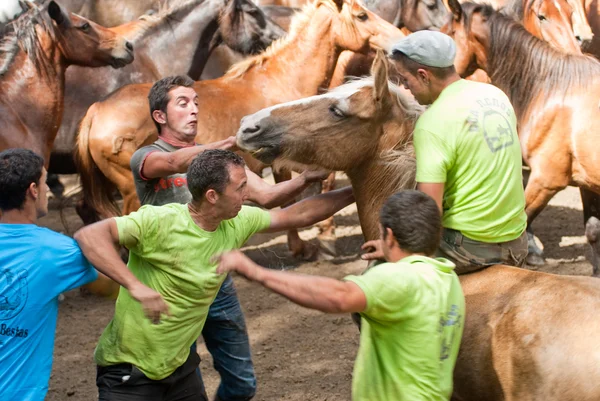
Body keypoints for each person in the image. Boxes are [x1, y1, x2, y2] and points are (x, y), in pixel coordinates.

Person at [74, 149, 355, 401]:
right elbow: (89, 236)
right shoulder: (160, 221)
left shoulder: (236, 221)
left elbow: (297, 215)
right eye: (240, 187)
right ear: (212, 196)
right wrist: (136, 287)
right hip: (129, 374)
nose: (247, 194)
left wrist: (357, 190)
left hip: (180, 369)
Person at [130, 75, 329, 401]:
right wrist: (228, 145)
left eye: (196, 102)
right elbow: (171, 162)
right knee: (177, 381)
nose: (194, 109)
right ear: (160, 117)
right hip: (170, 287)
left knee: (243, 385)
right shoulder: (146, 157)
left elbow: (266, 197)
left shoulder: (217, 162)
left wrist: (307, 177)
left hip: (218, 282)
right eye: (183, 103)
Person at [215, 190, 465, 401]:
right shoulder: (446, 276)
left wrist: (255, 271)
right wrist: (391, 251)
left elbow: (339, 296)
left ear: (389, 235)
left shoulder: (398, 279)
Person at [0, 149, 164, 401]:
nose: (46, 190)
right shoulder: (54, 251)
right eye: (45, 182)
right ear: (33, 190)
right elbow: (108, 286)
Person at [363, 31, 528, 273]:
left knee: (375, 273)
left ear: (423, 75)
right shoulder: (495, 95)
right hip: (517, 240)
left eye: (406, 80)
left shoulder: (432, 123)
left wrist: (394, 248)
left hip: (471, 248)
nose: (407, 90)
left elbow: (429, 211)